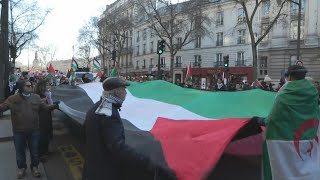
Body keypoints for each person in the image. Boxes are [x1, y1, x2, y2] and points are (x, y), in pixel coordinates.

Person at [82, 77, 176, 180]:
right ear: (117, 91)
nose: (126, 93)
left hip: (91, 169)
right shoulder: (110, 114)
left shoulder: (94, 108)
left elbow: (86, 134)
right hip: (105, 172)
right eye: (123, 89)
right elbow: (118, 147)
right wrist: (148, 163)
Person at [252, 65, 320, 179]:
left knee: (286, 166)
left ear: (290, 77)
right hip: (307, 137)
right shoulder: (312, 92)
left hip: (285, 141)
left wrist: (260, 120)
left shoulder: (285, 93)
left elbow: (273, 119)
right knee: (304, 162)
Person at [0, 80, 59, 179]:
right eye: (28, 85)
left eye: (31, 85)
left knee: (34, 151)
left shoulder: (36, 97)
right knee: (20, 151)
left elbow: (46, 108)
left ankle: (35, 167)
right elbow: (2, 107)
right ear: (21, 87)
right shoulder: (12, 99)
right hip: (19, 132)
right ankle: (21, 168)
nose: (31, 87)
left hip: (34, 131)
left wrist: (56, 105)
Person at [34, 79, 54, 162]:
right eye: (47, 85)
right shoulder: (37, 96)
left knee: (47, 133)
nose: (49, 87)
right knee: (42, 135)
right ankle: (41, 154)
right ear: (42, 87)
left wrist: (49, 97)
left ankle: (45, 150)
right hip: (41, 117)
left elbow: (50, 105)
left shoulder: (46, 94)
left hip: (47, 116)